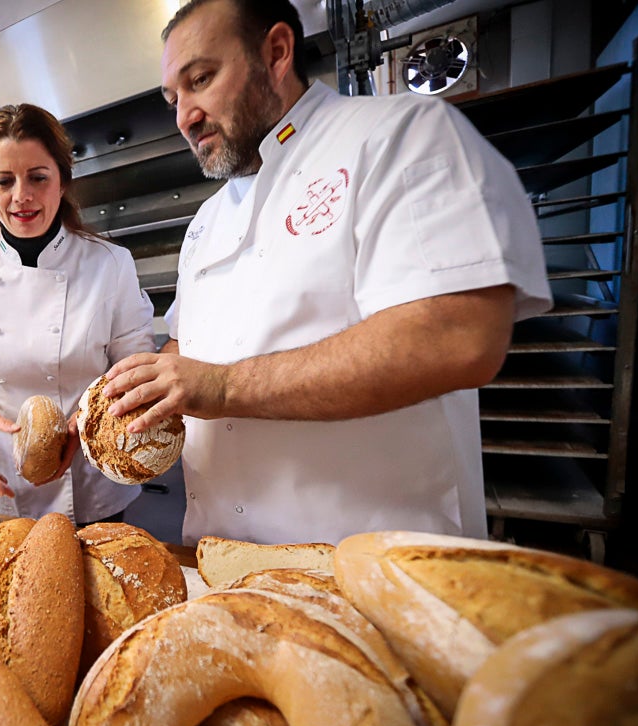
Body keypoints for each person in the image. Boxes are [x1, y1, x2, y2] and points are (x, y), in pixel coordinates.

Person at [102, 0, 552, 545]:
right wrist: (122, 402)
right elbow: (185, 348)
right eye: (174, 99)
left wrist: (221, 387)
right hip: (225, 566)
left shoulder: (399, 135)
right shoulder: (207, 221)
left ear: (276, 53)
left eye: (201, 79)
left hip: (375, 568)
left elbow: (457, 336)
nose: (184, 116)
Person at [0, 103, 156, 524]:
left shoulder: (110, 264)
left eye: (37, 177)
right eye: (4, 181)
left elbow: (134, 372)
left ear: (62, 181)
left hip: (88, 484)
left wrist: (83, 423)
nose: (21, 196)